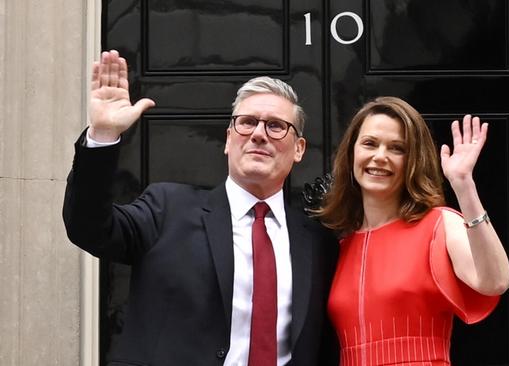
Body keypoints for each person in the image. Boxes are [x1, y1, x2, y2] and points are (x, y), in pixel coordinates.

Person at [63, 50, 339, 366]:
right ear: (228, 139)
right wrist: (103, 135)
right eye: (247, 123)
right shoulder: (167, 210)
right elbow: (88, 227)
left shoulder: (318, 243)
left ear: (299, 149)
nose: (259, 135)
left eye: (276, 126)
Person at [315, 97, 509, 365]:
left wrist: (464, 186)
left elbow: (495, 282)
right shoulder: (339, 245)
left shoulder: (438, 225)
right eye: (370, 143)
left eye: (397, 148)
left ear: (412, 161)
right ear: (351, 153)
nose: (380, 156)